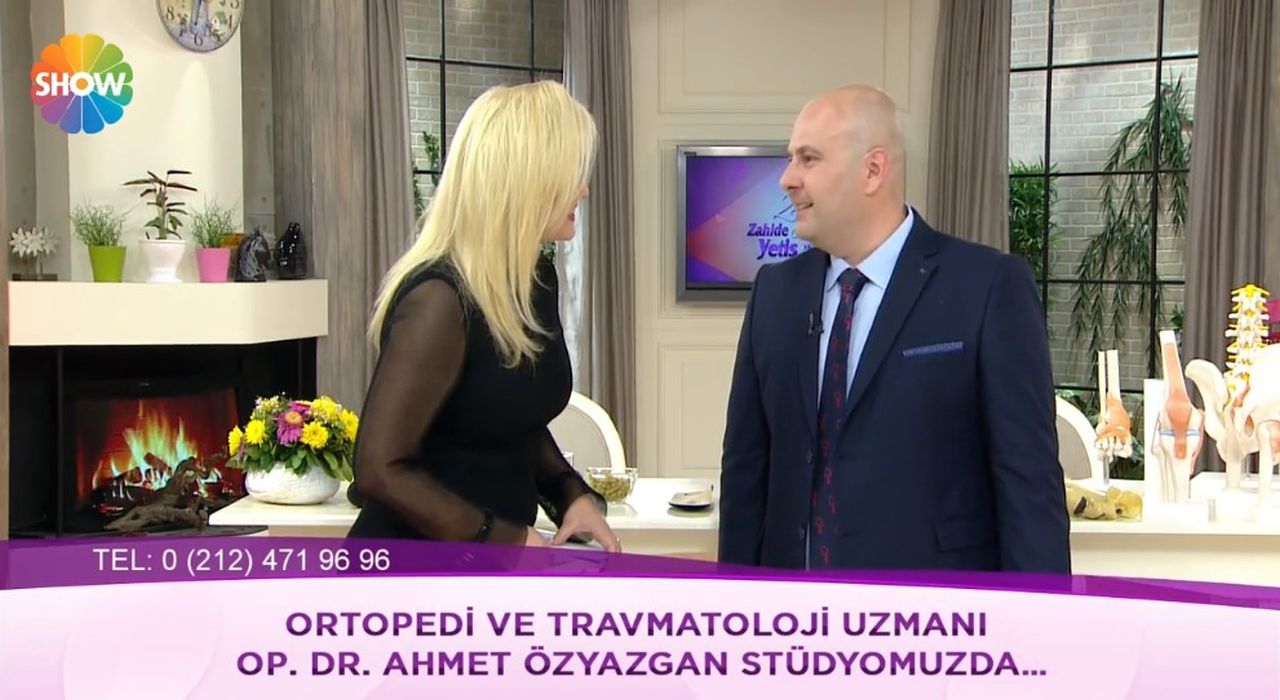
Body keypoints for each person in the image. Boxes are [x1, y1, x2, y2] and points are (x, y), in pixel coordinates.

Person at [718, 85, 1070, 572]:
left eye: (808, 159)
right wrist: (736, 600)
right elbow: (745, 475)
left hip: (936, 609)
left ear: (873, 170)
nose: (787, 179)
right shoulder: (774, 293)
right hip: (793, 609)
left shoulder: (988, 286)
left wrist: (1040, 611)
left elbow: (1029, 485)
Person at [346, 81, 620, 553]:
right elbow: (379, 469)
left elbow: (511, 419)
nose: (584, 189)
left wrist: (570, 494)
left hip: (488, 563)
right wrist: (504, 539)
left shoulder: (535, 281)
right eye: (570, 173)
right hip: (414, 570)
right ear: (529, 180)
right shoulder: (439, 299)